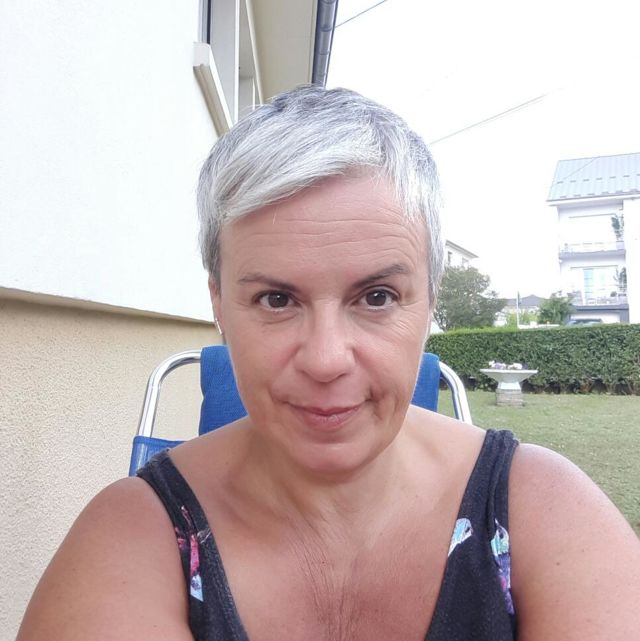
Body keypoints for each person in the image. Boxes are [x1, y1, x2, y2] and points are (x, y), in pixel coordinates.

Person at [18, 85, 640, 641]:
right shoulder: (135, 537)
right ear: (219, 306)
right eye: (276, 299)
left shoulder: (545, 513)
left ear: (431, 302)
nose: (324, 360)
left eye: (377, 297)